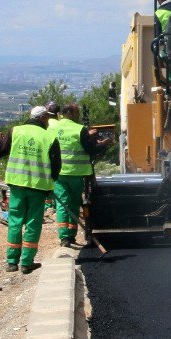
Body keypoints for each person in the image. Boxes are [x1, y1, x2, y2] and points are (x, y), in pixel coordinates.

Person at [0, 106, 62, 274]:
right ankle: (26, 262)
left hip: (17, 185)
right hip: (38, 187)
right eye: (46, 118)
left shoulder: (15, 131)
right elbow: (56, 167)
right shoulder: (50, 137)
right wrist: (50, 183)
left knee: (15, 221)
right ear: (43, 118)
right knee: (33, 223)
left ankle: (11, 262)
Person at [50, 103, 108, 247]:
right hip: (76, 173)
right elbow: (91, 150)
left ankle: (64, 237)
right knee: (75, 202)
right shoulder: (79, 129)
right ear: (71, 112)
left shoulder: (52, 127)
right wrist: (104, 143)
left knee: (62, 203)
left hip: (58, 173)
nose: (79, 115)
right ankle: (71, 234)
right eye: (77, 112)